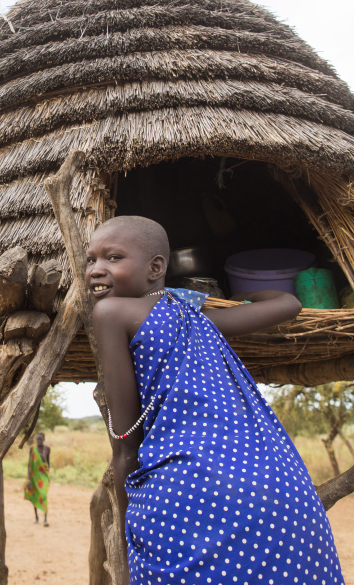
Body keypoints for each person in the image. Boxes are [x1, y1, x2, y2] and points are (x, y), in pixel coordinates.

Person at [86, 215, 344, 585]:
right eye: (90, 260)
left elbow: (126, 447)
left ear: (156, 267)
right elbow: (287, 302)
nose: (96, 269)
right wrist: (232, 298)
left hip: (196, 493)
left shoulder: (110, 312)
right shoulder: (199, 319)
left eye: (112, 258)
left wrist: (130, 547)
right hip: (287, 493)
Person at [24, 432, 51, 526]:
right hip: (34, 476)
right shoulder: (33, 449)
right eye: (37, 439)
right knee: (35, 496)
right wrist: (28, 479)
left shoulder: (47, 449)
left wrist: (48, 476)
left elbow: (48, 464)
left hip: (43, 477)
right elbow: (29, 464)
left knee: (43, 496)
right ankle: (36, 517)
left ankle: (45, 519)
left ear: (43, 440)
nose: (38, 441)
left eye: (40, 439)